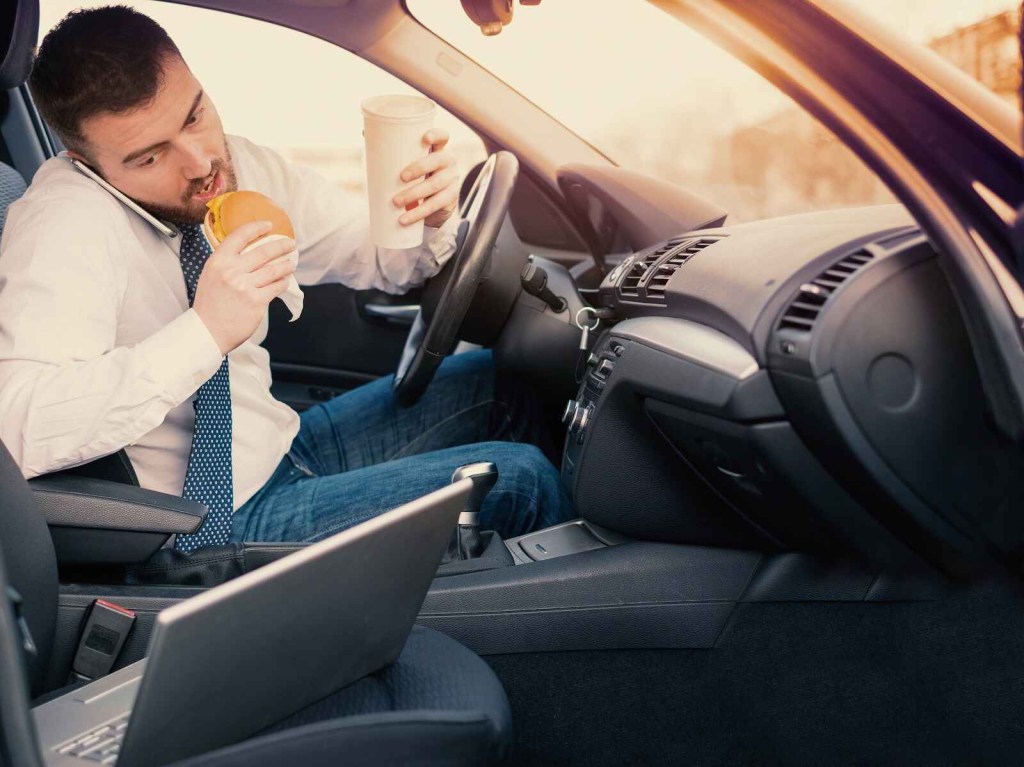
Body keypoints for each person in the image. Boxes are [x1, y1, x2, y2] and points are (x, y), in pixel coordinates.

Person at [0, 6, 572, 550]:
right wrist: (205, 331)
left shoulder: (240, 168)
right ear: (85, 162)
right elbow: (21, 430)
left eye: (194, 116)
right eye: (150, 158)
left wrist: (431, 217)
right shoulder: (64, 227)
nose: (200, 163)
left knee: (499, 381)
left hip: (282, 447)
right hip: (213, 517)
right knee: (520, 479)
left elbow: (379, 259)